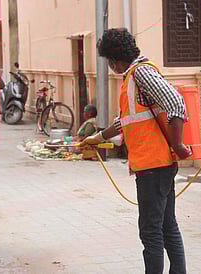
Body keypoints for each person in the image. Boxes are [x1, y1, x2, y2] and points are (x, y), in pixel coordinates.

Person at [79, 28, 191, 273]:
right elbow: (126, 122)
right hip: (154, 164)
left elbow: (176, 102)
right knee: (166, 226)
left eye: (109, 61)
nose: (110, 66)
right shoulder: (133, 77)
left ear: (115, 59)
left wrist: (180, 145)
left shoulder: (141, 73)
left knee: (151, 232)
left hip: (153, 165)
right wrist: (97, 138)